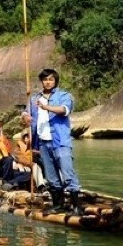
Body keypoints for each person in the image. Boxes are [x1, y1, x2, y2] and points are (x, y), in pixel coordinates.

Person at [23, 68, 82, 214]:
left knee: (68, 173)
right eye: (45, 79)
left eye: (51, 79)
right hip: (43, 143)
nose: (48, 82)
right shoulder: (34, 99)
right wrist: (25, 118)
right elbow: (25, 114)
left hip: (60, 141)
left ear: (55, 81)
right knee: (51, 176)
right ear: (42, 81)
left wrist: (46, 107)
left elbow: (64, 110)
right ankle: (58, 205)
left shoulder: (64, 96)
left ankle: (77, 207)